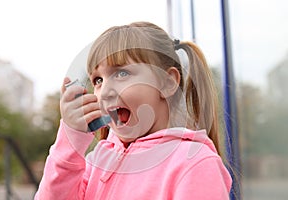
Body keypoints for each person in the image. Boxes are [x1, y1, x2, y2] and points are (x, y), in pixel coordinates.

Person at [35, 21, 232, 200]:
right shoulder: (97, 161)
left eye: (121, 73)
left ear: (167, 82)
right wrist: (70, 141)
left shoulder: (194, 164)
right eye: (98, 80)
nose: (104, 92)